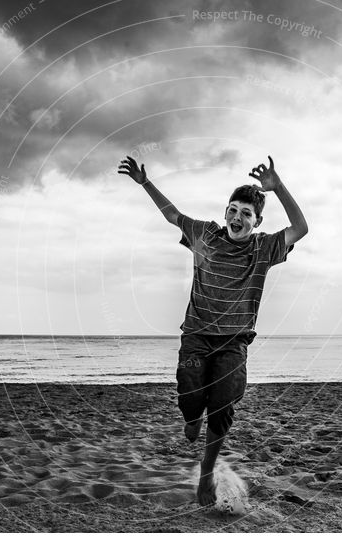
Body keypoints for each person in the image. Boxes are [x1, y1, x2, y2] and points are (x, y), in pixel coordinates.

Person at [118, 154, 308, 505]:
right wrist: (146, 183)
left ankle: (205, 478)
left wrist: (278, 186)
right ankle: (191, 417)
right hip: (197, 335)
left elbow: (301, 228)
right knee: (191, 396)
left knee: (223, 405)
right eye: (233, 210)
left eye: (246, 214)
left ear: (257, 220)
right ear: (225, 213)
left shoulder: (264, 248)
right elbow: (172, 215)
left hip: (235, 341)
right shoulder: (205, 234)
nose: (238, 217)